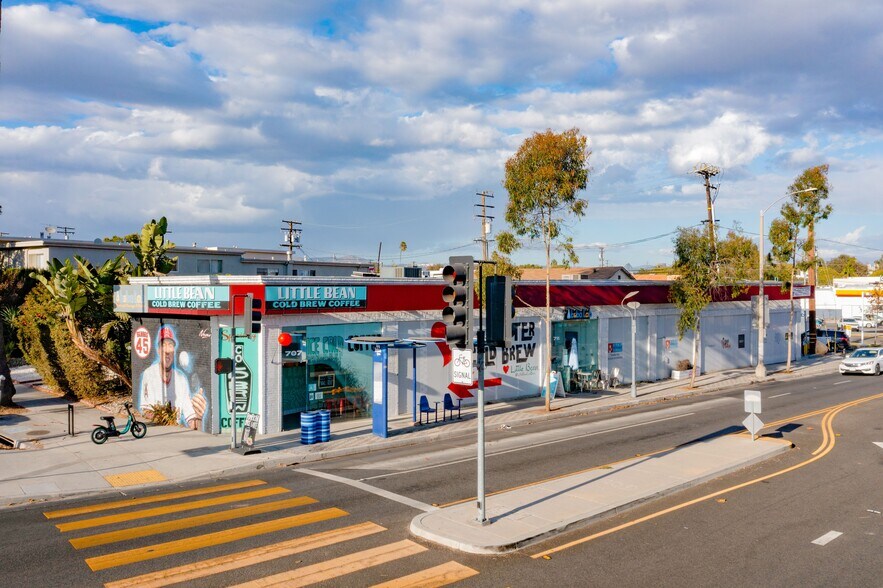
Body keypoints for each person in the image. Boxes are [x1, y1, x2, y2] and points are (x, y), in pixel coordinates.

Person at [137, 326, 206, 430]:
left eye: (170, 345)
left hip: (174, 432)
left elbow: (191, 418)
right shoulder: (149, 374)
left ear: (174, 350)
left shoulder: (181, 378)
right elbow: (146, 411)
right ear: (158, 350)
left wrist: (198, 417)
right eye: (163, 345)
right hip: (157, 431)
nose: (167, 350)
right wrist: (166, 420)